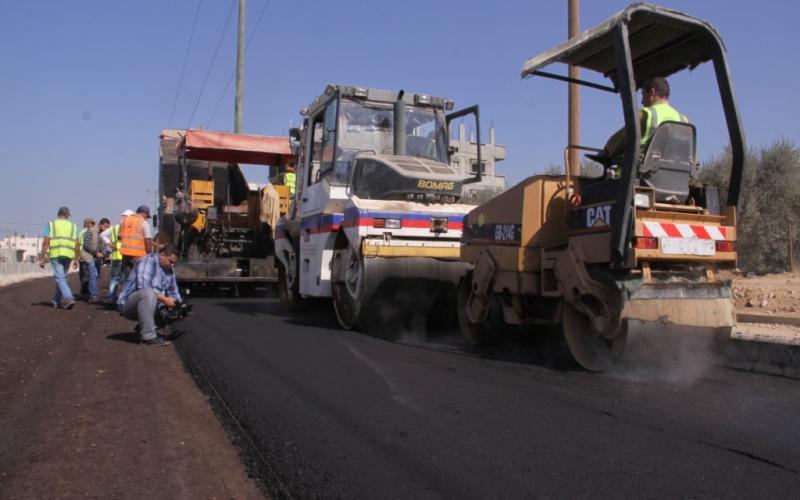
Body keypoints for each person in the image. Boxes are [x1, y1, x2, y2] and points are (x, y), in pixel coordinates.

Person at [601, 76, 689, 164]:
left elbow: (616, 142)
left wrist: (606, 151)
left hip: (641, 175)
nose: (642, 102)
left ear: (652, 92)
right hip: (675, 175)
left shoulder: (646, 114)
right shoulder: (684, 120)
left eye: (643, 95)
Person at [117, 244, 181, 347]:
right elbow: (143, 286)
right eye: (170, 261)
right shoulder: (148, 261)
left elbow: (173, 289)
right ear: (162, 255)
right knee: (148, 292)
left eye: (173, 263)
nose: (172, 265)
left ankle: (143, 328)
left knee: (176, 310)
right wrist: (165, 299)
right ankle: (148, 337)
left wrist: (178, 304)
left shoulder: (168, 269)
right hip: (130, 304)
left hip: (150, 304)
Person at [38, 207, 80, 309]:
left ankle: (69, 298)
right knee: (62, 278)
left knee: (60, 278)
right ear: (67, 215)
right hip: (68, 255)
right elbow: (77, 244)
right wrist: (76, 258)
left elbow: (46, 242)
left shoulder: (51, 225)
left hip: (56, 254)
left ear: (58, 214)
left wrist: (42, 257)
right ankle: (55, 301)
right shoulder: (73, 226)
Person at [100, 211, 131, 303]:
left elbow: (102, 235)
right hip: (126, 257)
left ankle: (111, 298)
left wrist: (109, 243)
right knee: (125, 279)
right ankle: (123, 300)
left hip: (116, 257)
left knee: (114, 278)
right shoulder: (130, 228)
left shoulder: (114, 228)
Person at [118, 205, 154, 286]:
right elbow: (147, 240)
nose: (147, 218)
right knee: (139, 278)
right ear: (144, 213)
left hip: (125, 254)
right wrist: (149, 255)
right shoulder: (143, 222)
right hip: (138, 255)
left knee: (127, 278)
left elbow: (119, 237)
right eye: (147, 216)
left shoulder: (124, 220)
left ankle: (126, 296)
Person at [78, 218, 103, 301]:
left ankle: (89, 293)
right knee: (90, 276)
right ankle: (90, 294)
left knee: (88, 276)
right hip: (87, 256)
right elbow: (86, 245)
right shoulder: (90, 232)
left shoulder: (88, 232)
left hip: (87, 256)